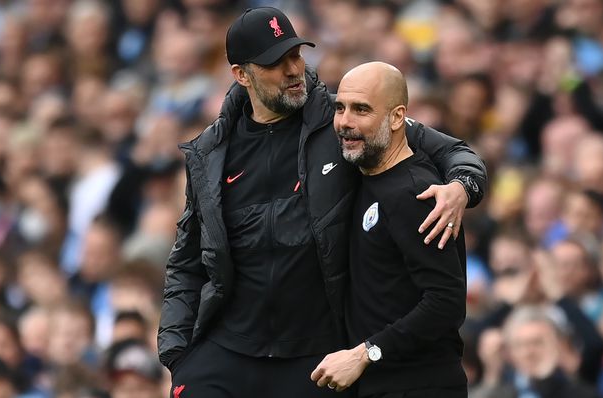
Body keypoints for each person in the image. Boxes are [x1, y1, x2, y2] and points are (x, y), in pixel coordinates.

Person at [158, 7, 487, 398]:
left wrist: (462, 187)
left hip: (315, 355)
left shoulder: (345, 118)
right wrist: (177, 354)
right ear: (241, 75)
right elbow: (186, 259)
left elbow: (453, 151)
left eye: (296, 54)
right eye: (276, 63)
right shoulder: (211, 152)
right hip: (230, 348)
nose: (294, 69)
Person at [309, 62, 468, 397]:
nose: (345, 122)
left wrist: (367, 353)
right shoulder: (361, 176)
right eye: (340, 108)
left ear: (398, 117)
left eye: (361, 110)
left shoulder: (417, 194)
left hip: (420, 385)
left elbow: (445, 302)